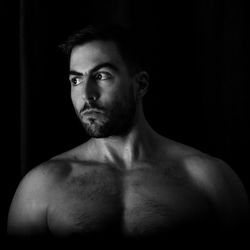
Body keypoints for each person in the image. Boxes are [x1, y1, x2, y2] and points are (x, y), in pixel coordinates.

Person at [8, 24, 249, 244]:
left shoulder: (208, 178)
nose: (86, 94)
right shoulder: (42, 185)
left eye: (101, 76)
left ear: (140, 85)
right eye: (76, 80)